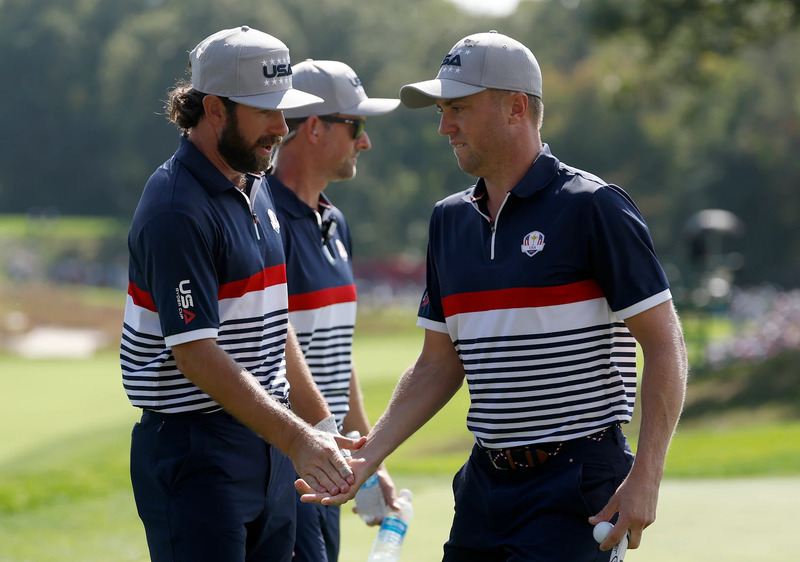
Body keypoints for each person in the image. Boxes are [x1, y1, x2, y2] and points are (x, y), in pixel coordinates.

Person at [296, 30, 689, 561]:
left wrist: (647, 474)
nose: (444, 126)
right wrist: (368, 457)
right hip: (485, 485)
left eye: (458, 108)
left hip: (579, 484)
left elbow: (666, 344)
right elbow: (437, 365)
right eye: (442, 111)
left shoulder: (594, 207)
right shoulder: (448, 220)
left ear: (515, 108)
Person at [119, 26, 363, 562]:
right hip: (195, 452)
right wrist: (298, 438)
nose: (282, 127)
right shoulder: (175, 206)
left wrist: (321, 428)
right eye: (265, 112)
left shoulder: (255, 184)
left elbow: (274, 323)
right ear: (214, 109)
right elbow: (195, 355)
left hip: (266, 441)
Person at [268, 59, 401, 561]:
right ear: (315, 128)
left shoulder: (335, 222)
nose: (365, 142)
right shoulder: (262, 216)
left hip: (327, 459)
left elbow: (336, 355)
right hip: (286, 465)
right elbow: (276, 347)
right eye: (356, 126)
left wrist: (366, 456)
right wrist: (334, 445)